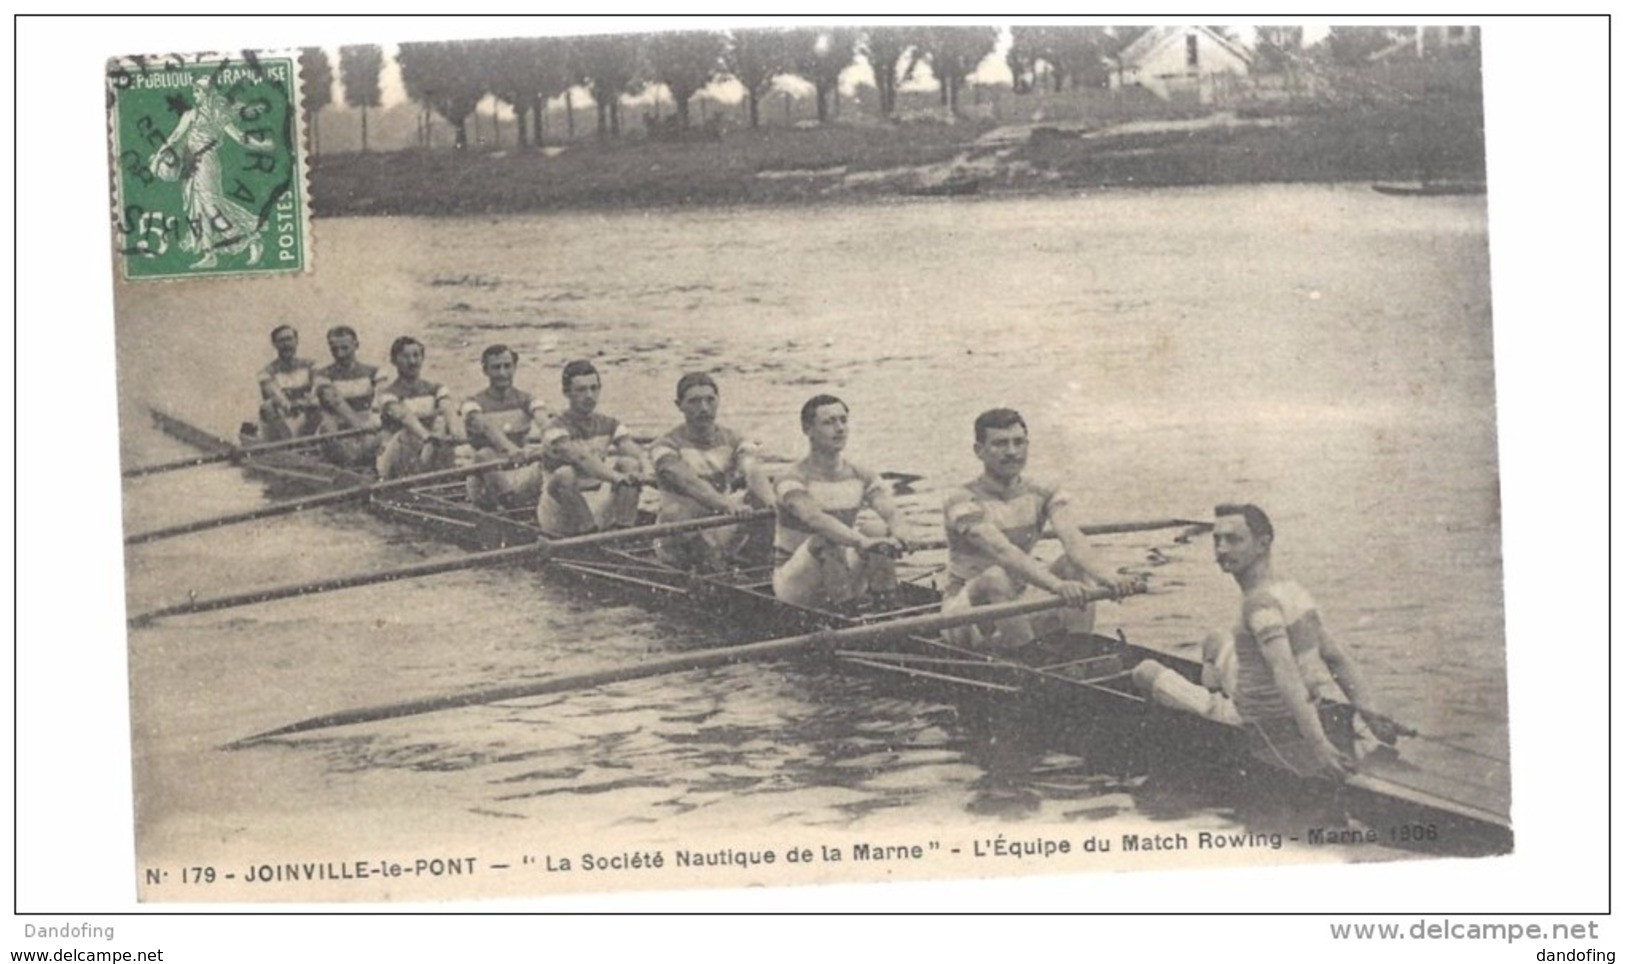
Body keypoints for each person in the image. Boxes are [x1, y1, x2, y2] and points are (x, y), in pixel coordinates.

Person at [1130, 503, 1406, 781]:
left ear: (1263, 544)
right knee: (1215, 639)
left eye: (1234, 540)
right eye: (1217, 540)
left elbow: (1285, 673)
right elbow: (1335, 658)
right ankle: (1213, 683)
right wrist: (1370, 715)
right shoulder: (1291, 590)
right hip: (1290, 705)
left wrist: (1320, 748)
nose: (1222, 549)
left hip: (1254, 722)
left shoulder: (1258, 605)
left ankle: (1204, 708)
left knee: (1144, 671)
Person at [940, 408, 1138, 652]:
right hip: (963, 613)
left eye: (1018, 442)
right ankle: (1031, 663)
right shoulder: (961, 500)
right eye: (1000, 444)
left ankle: (1077, 656)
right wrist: (1057, 587)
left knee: (1072, 565)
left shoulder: (1044, 490)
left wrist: (1108, 577)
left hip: (1018, 601)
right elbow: (1003, 552)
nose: (1012, 452)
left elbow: (1074, 541)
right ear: (979, 451)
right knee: (995, 577)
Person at [771, 394, 910, 609]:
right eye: (829, 422)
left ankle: (889, 610)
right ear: (807, 430)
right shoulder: (790, 478)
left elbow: (891, 512)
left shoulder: (861, 474)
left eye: (843, 420)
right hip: (795, 583)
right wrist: (860, 542)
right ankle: (847, 617)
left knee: (877, 529)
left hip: (840, 570)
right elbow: (814, 518)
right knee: (827, 539)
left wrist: (900, 534)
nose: (840, 428)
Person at [648, 373, 776, 570]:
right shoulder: (664, 446)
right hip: (678, 536)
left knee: (760, 498)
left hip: (720, 527)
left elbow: (752, 470)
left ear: (718, 401)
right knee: (675, 511)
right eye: (694, 401)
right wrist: (726, 505)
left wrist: (774, 504)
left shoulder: (735, 439)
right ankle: (713, 568)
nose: (704, 408)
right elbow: (689, 482)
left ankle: (761, 567)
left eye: (710, 400)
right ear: (679, 405)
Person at [150, 74, 266, 269]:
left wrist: (261, 145)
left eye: (199, 91)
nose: (196, 95)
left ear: (208, 93)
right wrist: (160, 155)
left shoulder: (218, 114)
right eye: (194, 91)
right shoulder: (190, 114)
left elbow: (237, 135)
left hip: (207, 163)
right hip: (191, 164)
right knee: (199, 209)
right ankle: (209, 254)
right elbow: (175, 137)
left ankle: (250, 239)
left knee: (212, 208)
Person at [535, 360, 648, 535]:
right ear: (567, 393)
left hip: (597, 503)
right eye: (581, 390)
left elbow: (631, 449)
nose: (589, 395)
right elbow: (582, 459)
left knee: (629, 464)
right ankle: (590, 538)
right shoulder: (554, 428)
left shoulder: (610, 423)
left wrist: (649, 472)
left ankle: (624, 533)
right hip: (559, 513)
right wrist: (617, 478)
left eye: (594, 388)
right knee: (565, 474)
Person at [459, 344, 549, 510]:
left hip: (519, 470)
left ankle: (519, 505)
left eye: (507, 366)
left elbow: (544, 422)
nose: (502, 373)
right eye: (496, 368)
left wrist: (555, 440)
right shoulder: (472, 403)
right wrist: (511, 449)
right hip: (484, 481)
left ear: (515, 368)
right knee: (484, 454)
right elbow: (486, 427)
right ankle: (512, 507)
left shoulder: (527, 399)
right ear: (485, 371)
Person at [374, 336, 458, 480]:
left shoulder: (435, 388)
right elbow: (404, 416)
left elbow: (448, 410)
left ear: (422, 358)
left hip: (427, 450)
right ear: (394, 361)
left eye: (416, 355)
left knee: (444, 429)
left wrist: (457, 433)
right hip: (393, 457)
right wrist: (427, 437)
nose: (412, 362)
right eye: (405, 356)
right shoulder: (388, 394)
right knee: (406, 434)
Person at [312, 325, 386, 467]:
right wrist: (360, 429)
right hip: (338, 433)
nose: (340, 354)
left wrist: (369, 428)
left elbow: (382, 399)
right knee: (328, 429)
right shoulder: (322, 375)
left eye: (345, 348)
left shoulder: (374, 372)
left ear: (356, 345)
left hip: (368, 431)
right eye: (334, 349)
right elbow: (334, 401)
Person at [254, 325, 321, 442]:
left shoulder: (310, 365)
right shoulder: (266, 372)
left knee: (319, 405)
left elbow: (317, 388)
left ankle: (302, 443)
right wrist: (291, 404)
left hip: (306, 417)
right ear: (274, 344)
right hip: (283, 418)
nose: (286, 344)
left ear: (296, 341)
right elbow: (275, 394)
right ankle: (290, 445)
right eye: (281, 341)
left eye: (289, 339)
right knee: (268, 406)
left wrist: (311, 399)